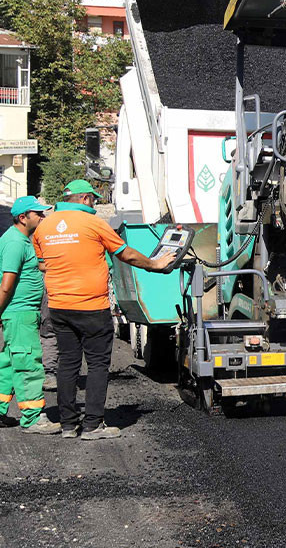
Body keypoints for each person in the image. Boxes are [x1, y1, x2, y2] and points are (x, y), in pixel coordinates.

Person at [33, 179, 175, 440]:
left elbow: (43, 264)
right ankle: (92, 426)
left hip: (59, 307)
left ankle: (67, 425)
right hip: (91, 306)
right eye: (94, 200)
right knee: (98, 364)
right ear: (85, 199)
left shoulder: (44, 227)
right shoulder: (94, 223)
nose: (95, 205)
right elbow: (126, 254)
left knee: (67, 363)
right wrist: (155, 264)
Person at [0, 196, 58, 434]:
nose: (43, 217)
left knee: (7, 364)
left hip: (20, 313)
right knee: (28, 364)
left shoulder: (22, 240)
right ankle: (33, 418)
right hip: (20, 313)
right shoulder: (15, 242)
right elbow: (7, 284)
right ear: (23, 218)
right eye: (39, 214)